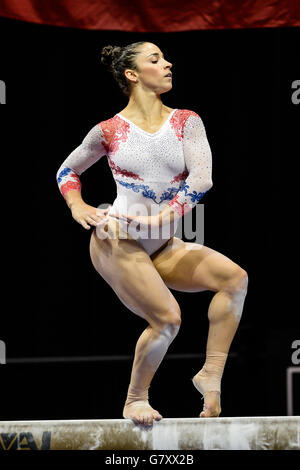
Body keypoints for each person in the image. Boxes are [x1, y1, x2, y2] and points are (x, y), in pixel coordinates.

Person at [56, 41, 248, 426]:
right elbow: (67, 171)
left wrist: (165, 217)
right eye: (155, 59)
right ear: (132, 74)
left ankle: (211, 372)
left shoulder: (186, 121)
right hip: (117, 239)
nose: (168, 63)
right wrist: (78, 206)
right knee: (168, 319)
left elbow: (202, 178)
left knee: (234, 279)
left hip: (161, 243)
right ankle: (135, 399)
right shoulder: (109, 131)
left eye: (165, 58)